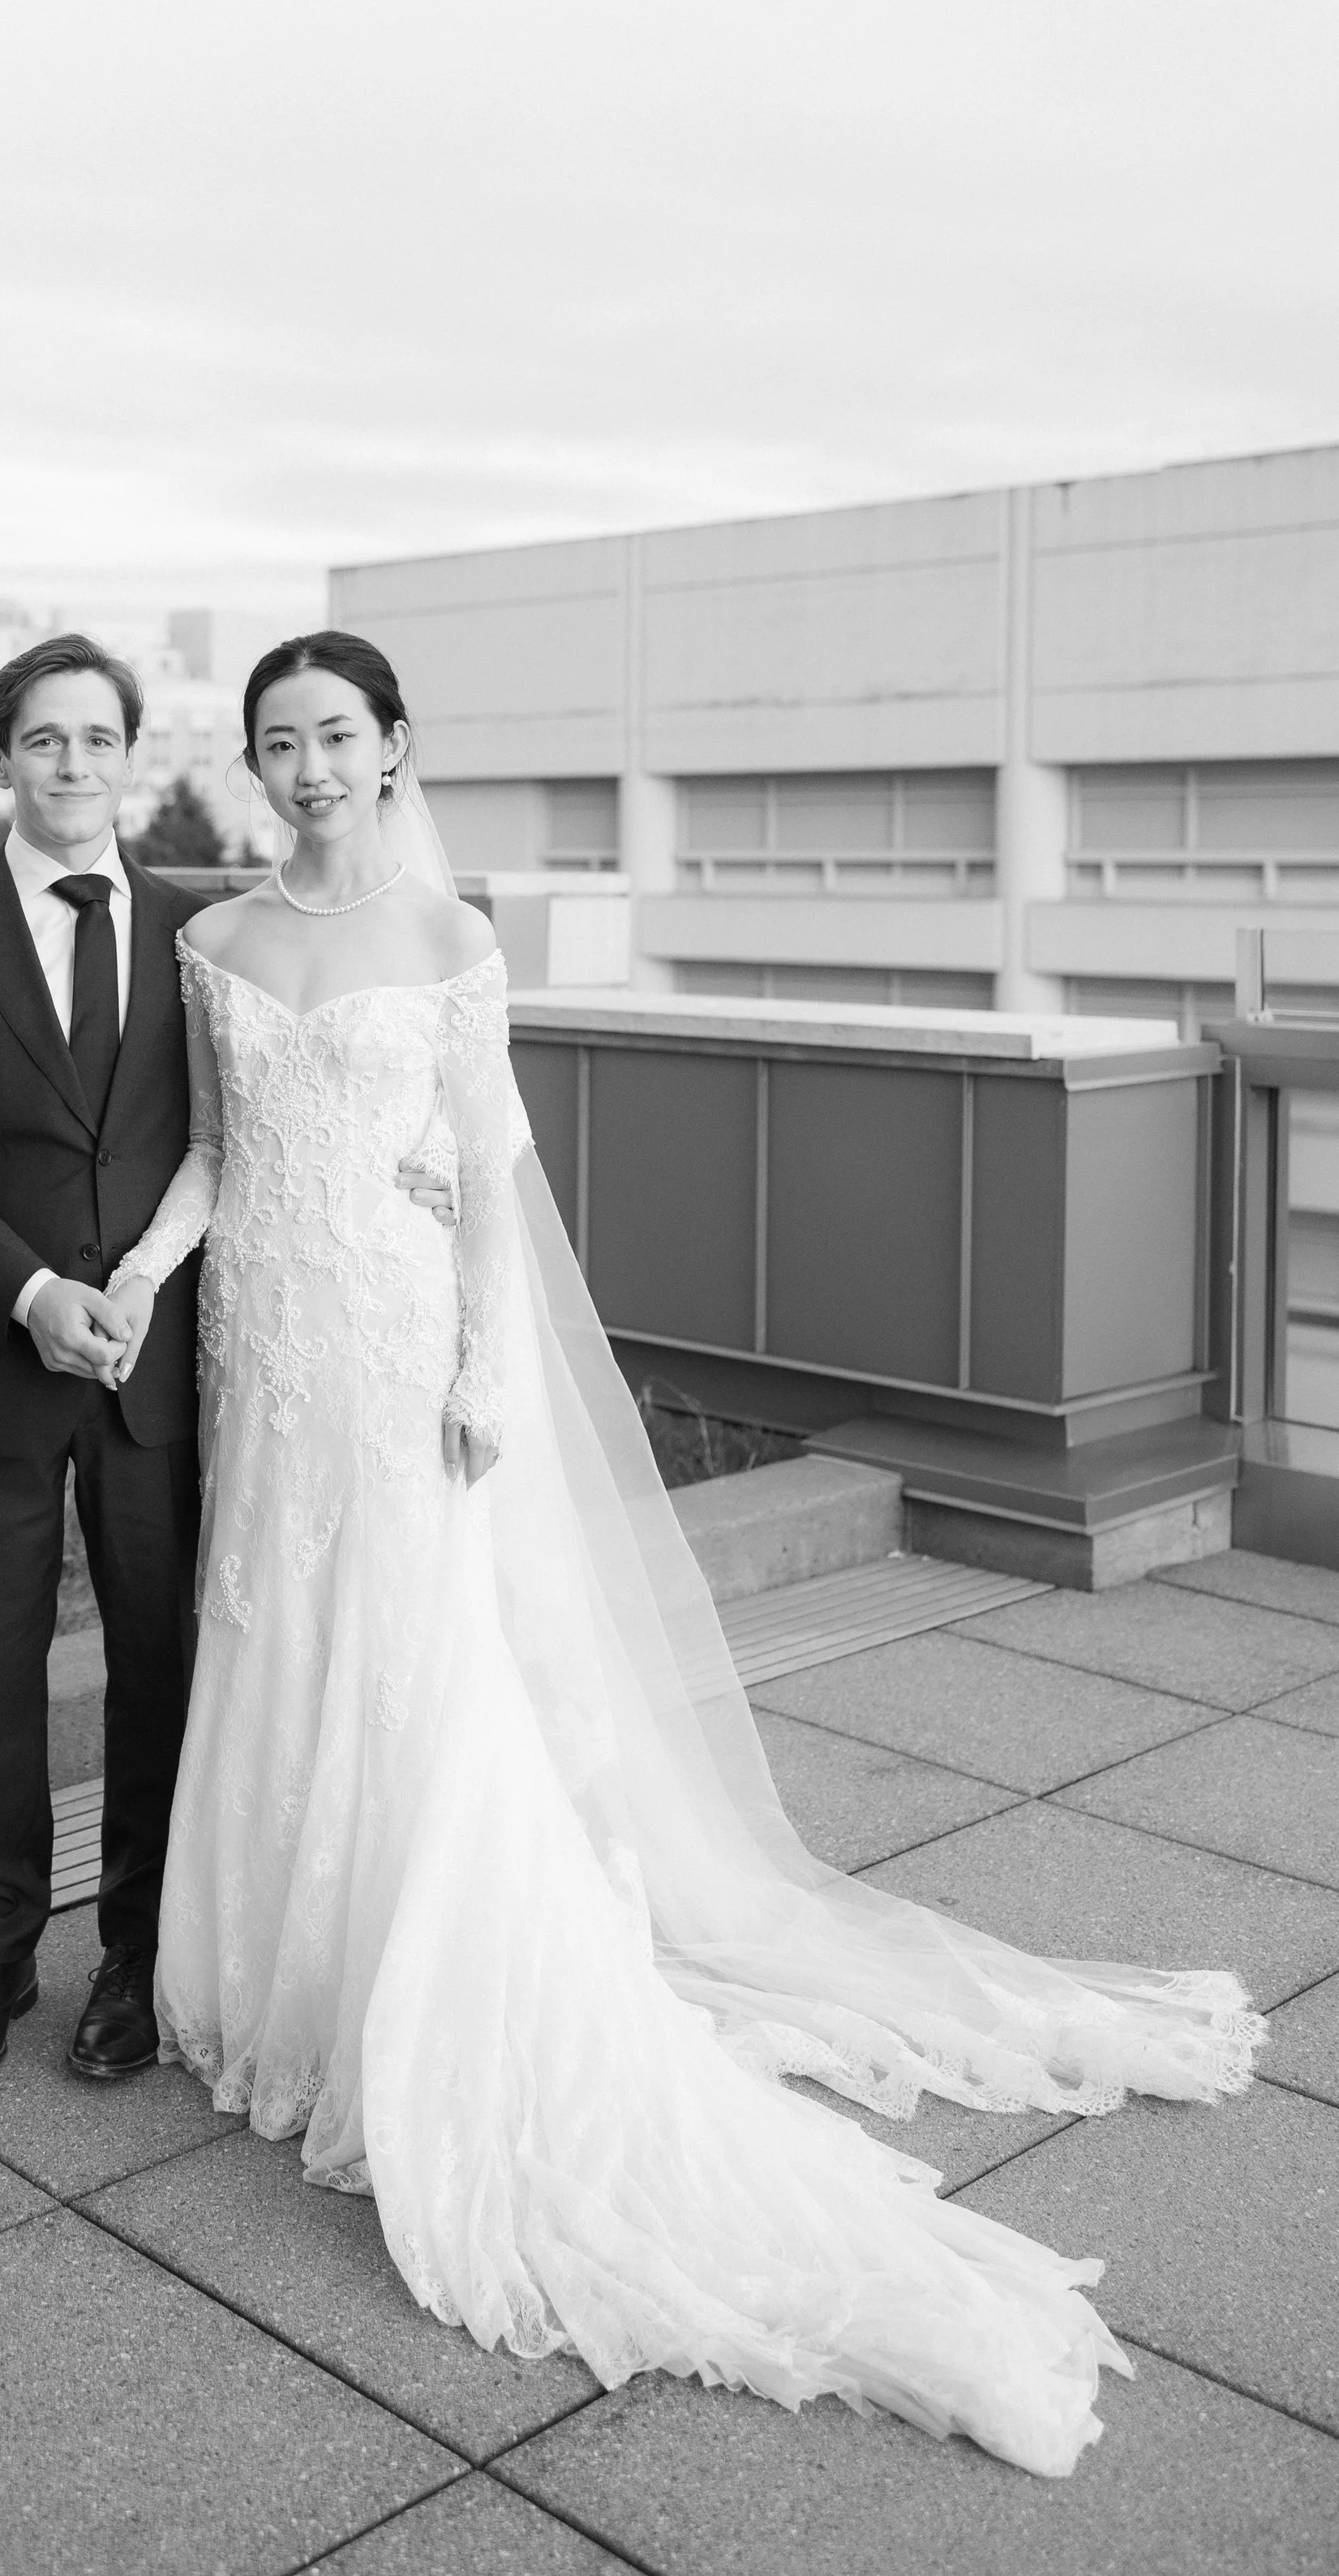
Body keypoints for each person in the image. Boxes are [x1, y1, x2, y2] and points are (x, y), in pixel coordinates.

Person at [100, 628, 1263, 2479]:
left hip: (402, 1350)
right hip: (268, 1350)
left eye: (335, 734)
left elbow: (485, 1172)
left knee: (418, 1668)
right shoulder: (214, 943)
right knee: (283, 1637)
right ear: (250, 766)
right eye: (275, 742)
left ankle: (429, 1994)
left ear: (395, 747)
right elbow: (216, 1159)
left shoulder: (451, 938)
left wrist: (488, 1355)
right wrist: (145, 1279)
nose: (306, 766)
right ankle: (284, 1983)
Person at [0, 632, 451, 2089]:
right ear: (3, 759)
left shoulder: (206, 933)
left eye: (98, 739)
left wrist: (420, 1163)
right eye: (43, 740)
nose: (72, 765)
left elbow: (250, 1128)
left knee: (167, 1671)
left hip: (166, 1376)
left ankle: (138, 1954)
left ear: (133, 757)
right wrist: (35, 1290)